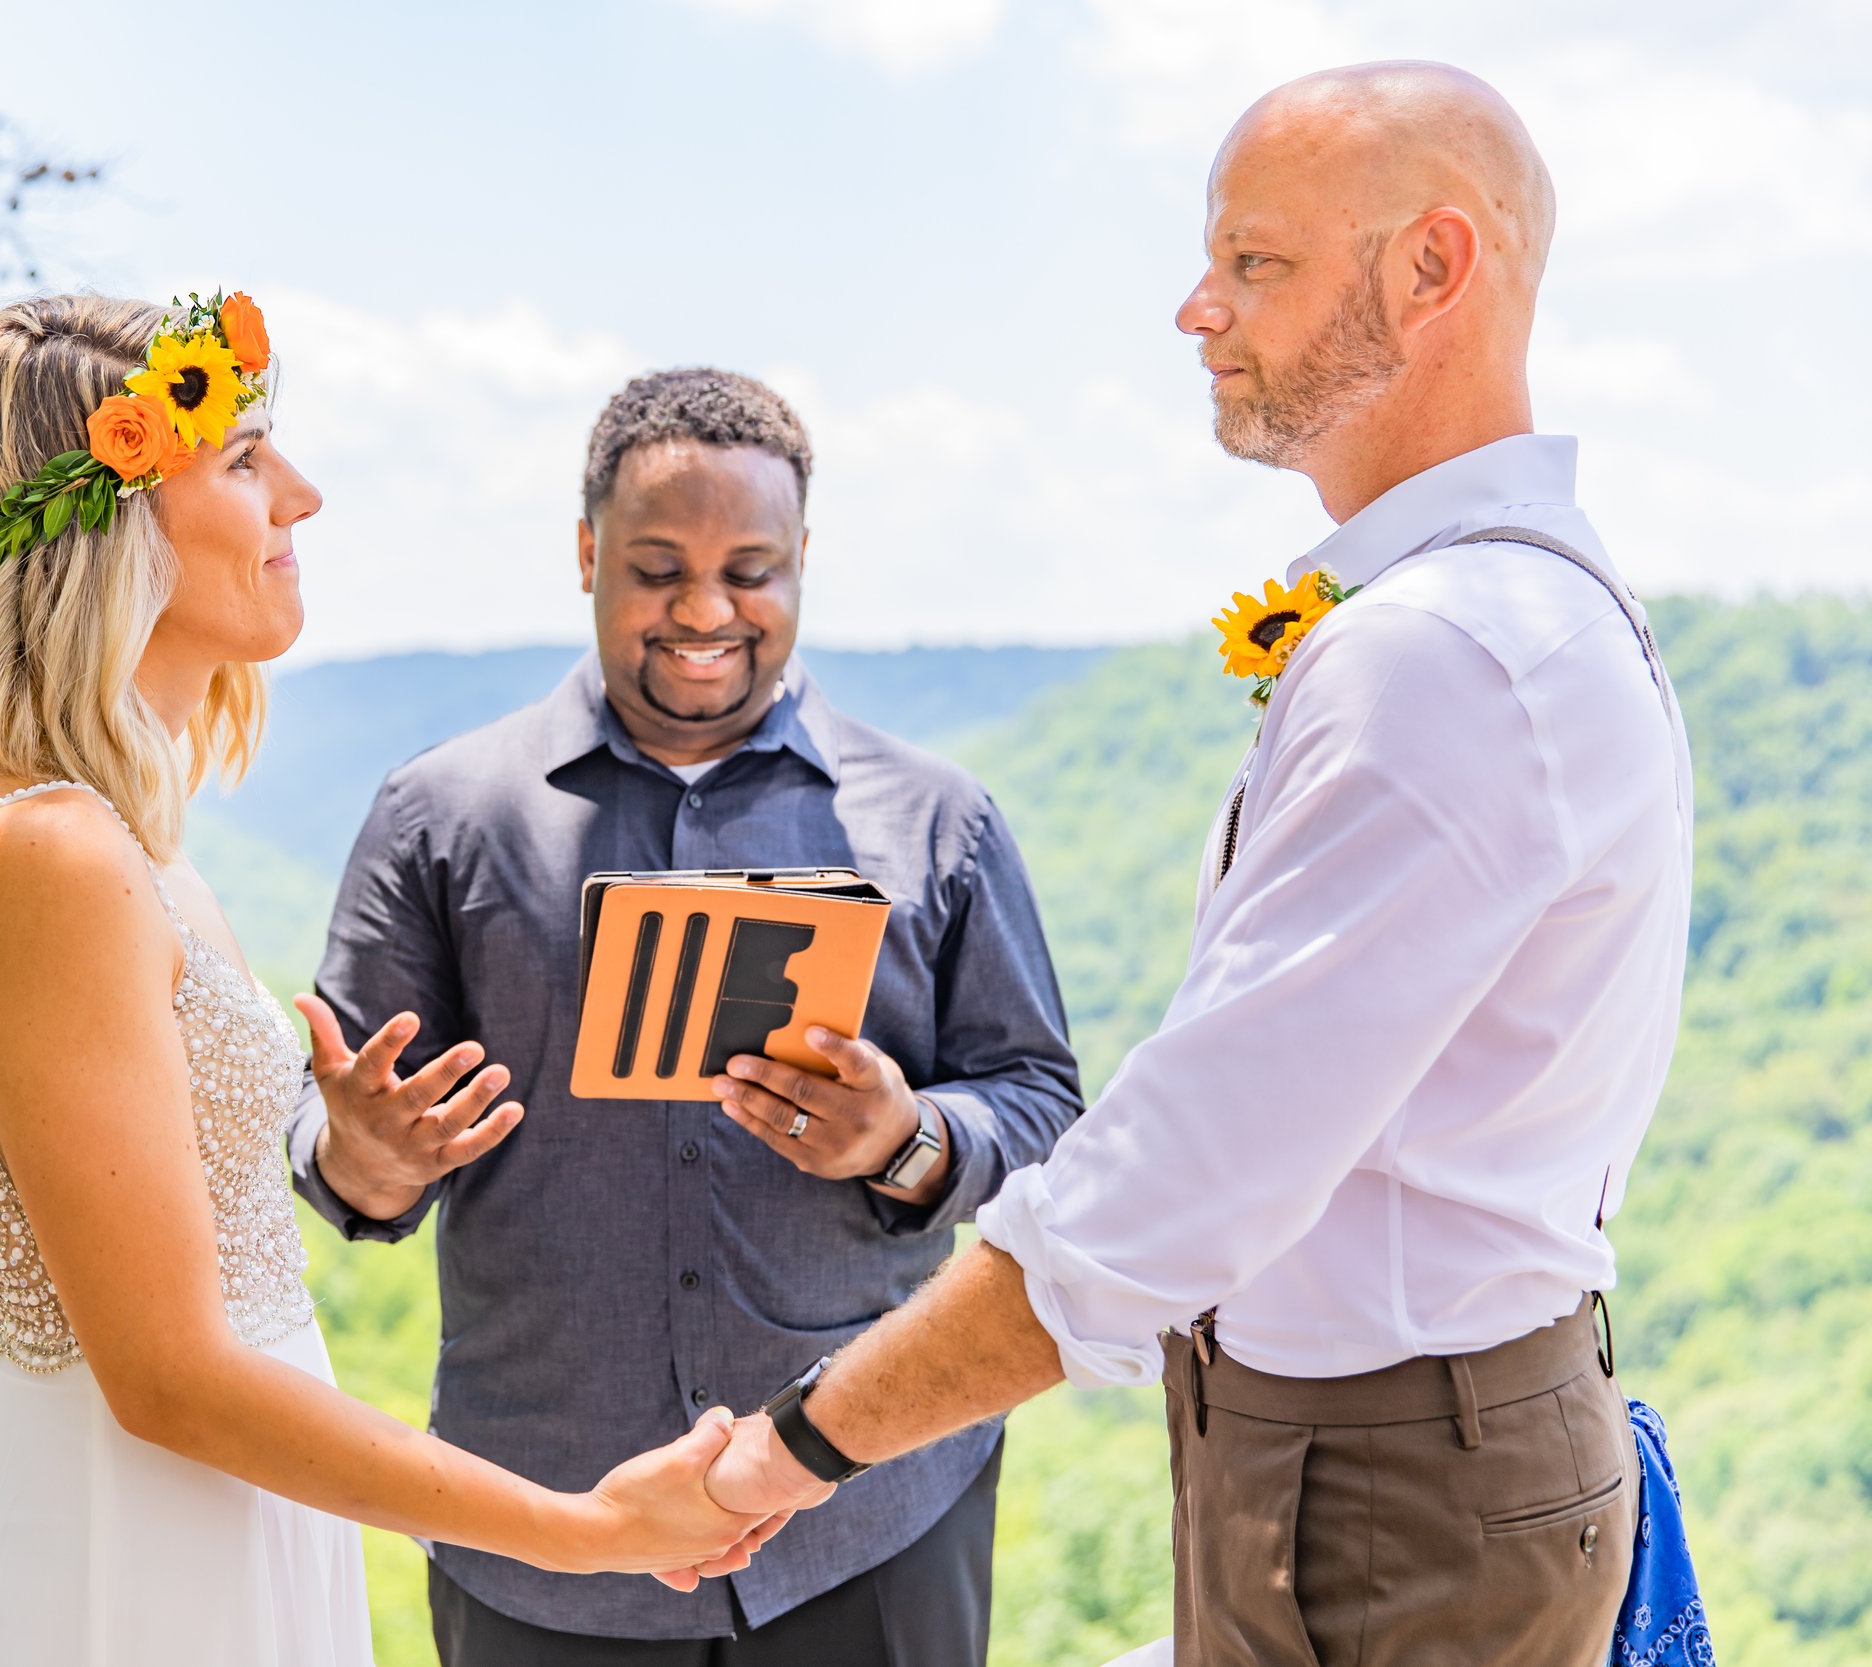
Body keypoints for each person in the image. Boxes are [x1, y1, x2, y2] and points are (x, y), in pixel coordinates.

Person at [701, 62, 1696, 1667]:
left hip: (1387, 1500)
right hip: (1406, 1462)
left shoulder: (1444, 655)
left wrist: (797, 1445)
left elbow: (1178, 1179)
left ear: (1433, 269)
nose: (1196, 310)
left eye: (1256, 262)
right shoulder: (1519, 614)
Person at [0, 293, 788, 1667]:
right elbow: (171, 1379)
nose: (301, 492)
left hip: (210, 1522)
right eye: (243, 462)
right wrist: (580, 1527)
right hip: (138, 1558)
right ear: (107, 525)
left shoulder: (114, 844)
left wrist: (339, 1146)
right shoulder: (50, 856)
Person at [287, 367, 1085, 1664]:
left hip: (871, 1518)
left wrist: (904, 1139)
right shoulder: (438, 815)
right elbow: (352, 1156)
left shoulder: (941, 820)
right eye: (658, 567)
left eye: (751, 570)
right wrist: (366, 1162)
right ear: (588, 551)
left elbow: (1047, 1111)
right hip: (542, 1527)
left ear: (804, 563)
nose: (706, 611)